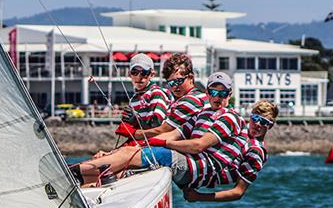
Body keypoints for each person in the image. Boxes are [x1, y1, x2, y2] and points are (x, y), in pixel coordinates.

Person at [73, 72, 245, 188]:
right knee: (124, 160)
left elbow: (198, 145)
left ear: (229, 94)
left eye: (222, 93)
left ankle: (70, 173)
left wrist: (165, 143)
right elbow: (173, 133)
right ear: (207, 92)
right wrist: (129, 147)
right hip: (188, 161)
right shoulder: (203, 113)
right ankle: (77, 187)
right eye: (213, 92)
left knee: (133, 155)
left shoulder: (229, 117)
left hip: (199, 168)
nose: (217, 97)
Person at [183, 100, 278, 202]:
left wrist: (198, 197)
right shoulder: (237, 127)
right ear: (250, 117)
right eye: (255, 118)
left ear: (270, 126)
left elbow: (238, 192)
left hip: (198, 173)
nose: (258, 124)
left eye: (264, 122)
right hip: (194, 159)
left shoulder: (256, 152)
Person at [115, 53, 172, 137]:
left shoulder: (156, 93)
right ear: (129, 74)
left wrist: (136, 120)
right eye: (135, 72)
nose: (139, 77)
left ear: (152, 75)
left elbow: (156, 128)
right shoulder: (133, 99)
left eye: (144, 73)